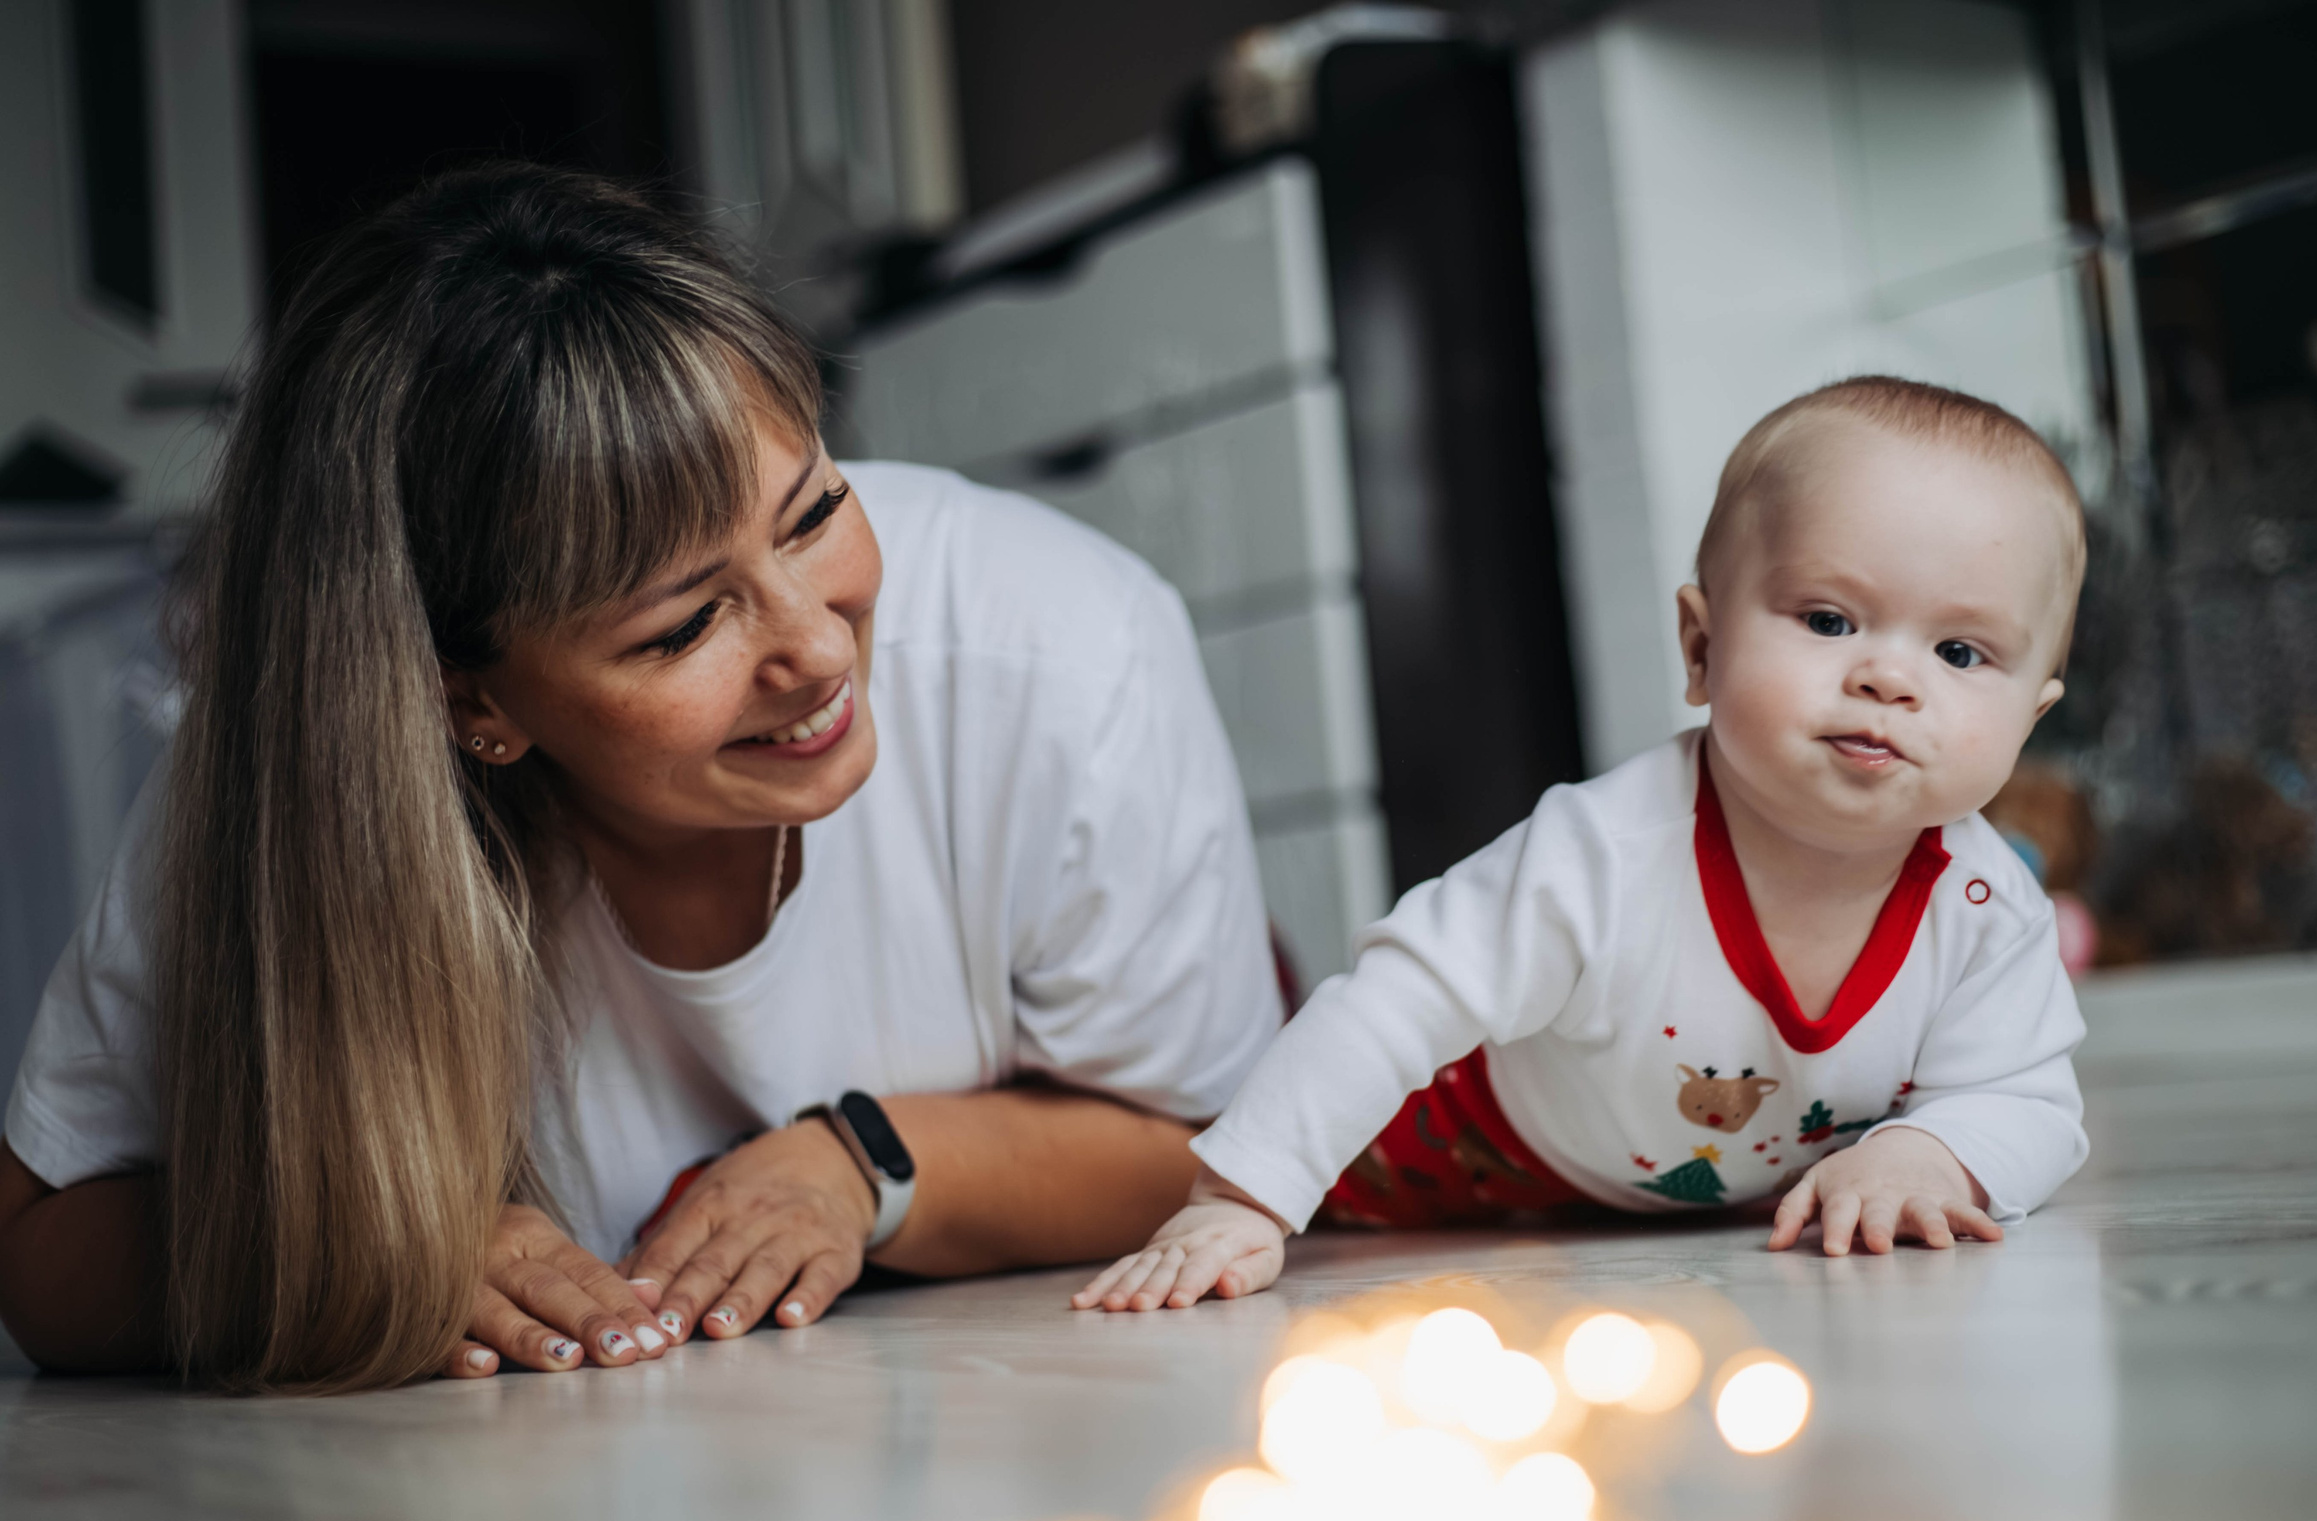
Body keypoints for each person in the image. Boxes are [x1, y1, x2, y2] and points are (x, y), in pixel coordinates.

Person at [0, 165, 1281, 1391]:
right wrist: (377, 1254)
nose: (821, 647)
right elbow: (42, 1249)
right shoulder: (295, 782)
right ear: (467, 698)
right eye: (681, 629)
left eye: (814, 512)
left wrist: (867, 1164)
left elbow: (1232, 1148)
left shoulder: (1062, 637)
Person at [1076, 376, 2089, 1312]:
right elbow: (1397, 1007)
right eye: (1827, 620)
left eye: (1960, 652)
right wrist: (1236, 1200)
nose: (1886, 678)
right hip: (1466, 1142)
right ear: (1700, 648)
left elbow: (2026, 1100)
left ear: (2028, 718)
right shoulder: (1604, 854)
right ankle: (1240, 1018)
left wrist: (1928, 1155)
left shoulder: (1984, 910)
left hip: (1710, 1200)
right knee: (1199, 1153)